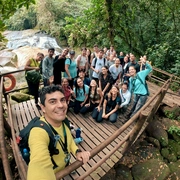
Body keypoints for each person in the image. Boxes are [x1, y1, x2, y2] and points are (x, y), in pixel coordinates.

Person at [27, 85, 90, 180]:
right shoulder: (38, 132)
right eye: (52, 102)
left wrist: (77, 151)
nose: (61, 105)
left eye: (62, 100)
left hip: (65, 165)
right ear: (43, 107)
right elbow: (39, 164)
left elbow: (68, 138)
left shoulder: (64, 120)